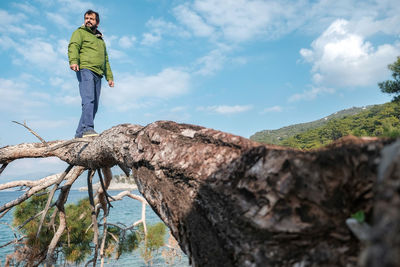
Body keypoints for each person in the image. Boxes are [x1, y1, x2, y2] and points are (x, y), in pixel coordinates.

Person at [68, 9, 114, 138]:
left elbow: (105, 59)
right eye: (86, 18)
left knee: (94, 106)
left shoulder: (100, 40)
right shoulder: (79, 32)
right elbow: (73, 46)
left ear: (97, 23)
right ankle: (88, 129)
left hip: (98, 73)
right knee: (88, 100)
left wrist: (109, 77)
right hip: (85, 69)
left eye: (91, 19)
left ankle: (79, 135)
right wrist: (73, 61)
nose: (88, 20)